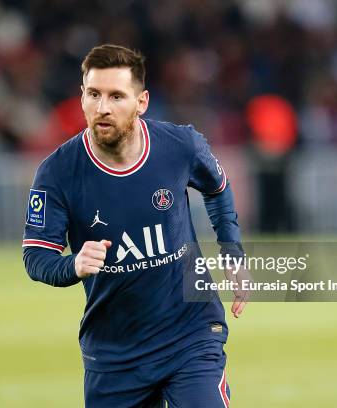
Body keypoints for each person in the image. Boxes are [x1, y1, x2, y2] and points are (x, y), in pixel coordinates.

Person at [22, 44, 247, 408]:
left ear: (141, 102)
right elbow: (35, 256)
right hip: (114, 355)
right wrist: (72, 265)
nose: (103, 108)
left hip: (190, 333)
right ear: (81, 97)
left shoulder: (180, 145)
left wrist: (232, 250)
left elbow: (218, 189)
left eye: (116, 96)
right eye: (93, 94)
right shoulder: (57, 172)